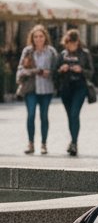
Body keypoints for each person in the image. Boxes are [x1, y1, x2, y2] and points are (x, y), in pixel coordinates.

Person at [17, 25, 60, 155]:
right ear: (32, 38)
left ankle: (43, 144)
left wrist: (50, 73)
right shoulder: (28, 51)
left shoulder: (51, 51)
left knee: (44, 116)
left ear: (45, 37)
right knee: (30, 116)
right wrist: (35, 71)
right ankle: (30, 143)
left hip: (46, 89)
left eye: (41, 36)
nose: (38, 39)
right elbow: (21, 69)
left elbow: (56, 70)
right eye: (35, 37)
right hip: (31, 88)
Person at [56, 29, 93, 157]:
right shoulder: (62, 54)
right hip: (66, 89)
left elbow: (91, 71)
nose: (71, 45)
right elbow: (55, 71)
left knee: (74, 114)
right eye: (68, 43)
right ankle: (72, 141)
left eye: (73, 43)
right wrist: (61, 69)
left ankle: (74, 143)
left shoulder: (84, 54)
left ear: (78, 42)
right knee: (70, 116)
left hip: (80, 87)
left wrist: (81, 70)